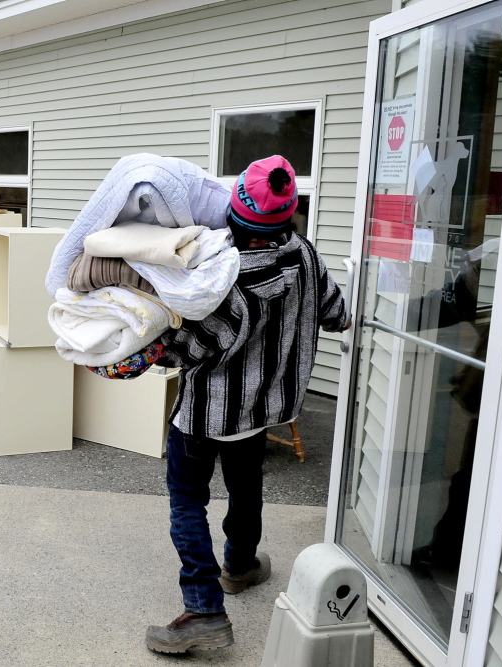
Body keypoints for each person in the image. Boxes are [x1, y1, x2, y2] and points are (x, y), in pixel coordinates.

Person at [145, 155, 348, 653]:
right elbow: (337, 314)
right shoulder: (304, 256)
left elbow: (186, 351)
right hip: (262, 411)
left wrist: (146, 346)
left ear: (234, 215)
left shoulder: (226, 279)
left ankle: (203, 610)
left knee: (188, 500)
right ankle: (240, 565)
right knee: (245, 488)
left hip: (203, 414)